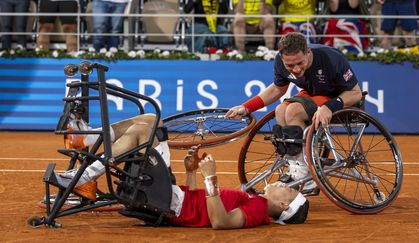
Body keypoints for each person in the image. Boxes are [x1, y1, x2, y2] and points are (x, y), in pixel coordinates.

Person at [55, 113, 309, 228]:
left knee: (149, 126)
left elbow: (219, 222)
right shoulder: (255, 203)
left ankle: (85, 174)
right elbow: (201, 208)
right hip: (174, 196)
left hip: (168, 201)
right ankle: (87, 148)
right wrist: (191, 172)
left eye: (287, 190)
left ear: (284, 206)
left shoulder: (258, 211)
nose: (283, 184)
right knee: (149, 122)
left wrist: (210, 177)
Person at [225, 32, 362, 189]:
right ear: (282, 58)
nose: (296, 69)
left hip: (339, 98)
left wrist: (329, 107)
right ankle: (296, 166)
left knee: (293, 111)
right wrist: (246, 107)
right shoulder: (280, 62)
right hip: (313, 94)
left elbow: (356, 93)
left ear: (308, 52)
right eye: (290, 65)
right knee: (280, 110)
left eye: (300, 63)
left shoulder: (330, 58)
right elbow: (277, 89)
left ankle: (308, 171)